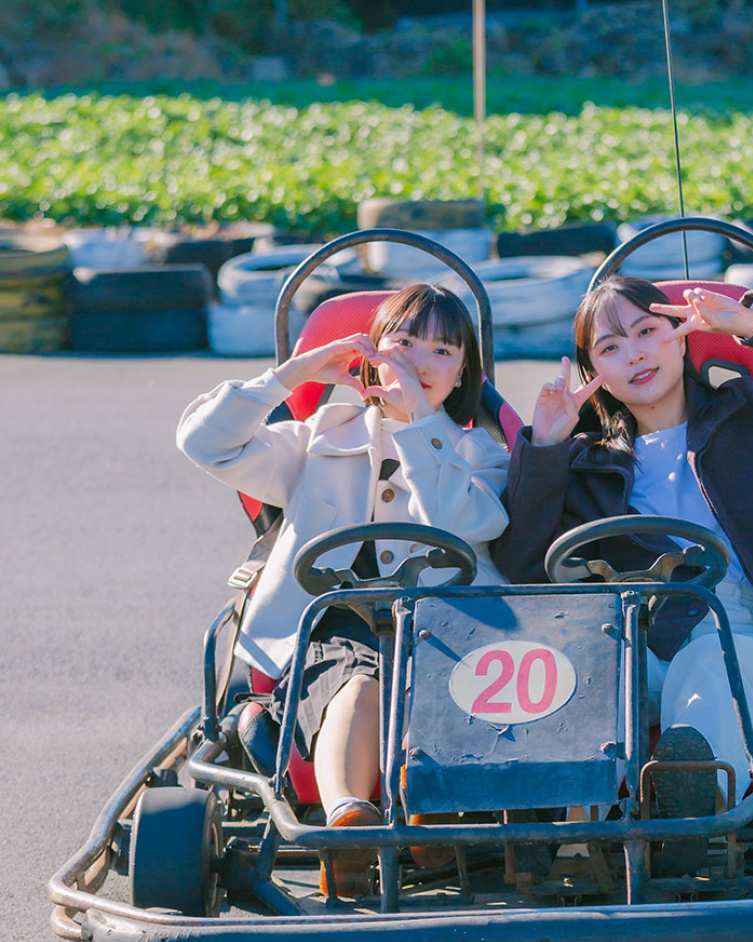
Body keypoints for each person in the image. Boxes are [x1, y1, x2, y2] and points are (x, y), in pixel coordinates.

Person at [491, 276, 753, 873]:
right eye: (611, 347)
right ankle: (572, 838)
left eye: (647, 331)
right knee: (575, 672)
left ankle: (688, 821)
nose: (635, 355)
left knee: (710, 666)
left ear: (681, 335)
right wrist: (544, 446)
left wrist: (751, 324)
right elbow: (520, 565)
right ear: (593, 371)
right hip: (636, 641)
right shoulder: (587, 463)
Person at [178, 283, 509, 895]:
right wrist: (292, 376)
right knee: (358, 680)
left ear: (464, 371)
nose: (419, 362)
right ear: (371, 355)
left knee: (424, 672)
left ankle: (429, 814)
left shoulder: (480, 452)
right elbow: (204, 442)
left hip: (451, 628)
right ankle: (347, 826)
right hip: (333, 625)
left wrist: (420, 421)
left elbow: (458, 518)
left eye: (442, 350)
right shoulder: (317, 439)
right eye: (404, 343)